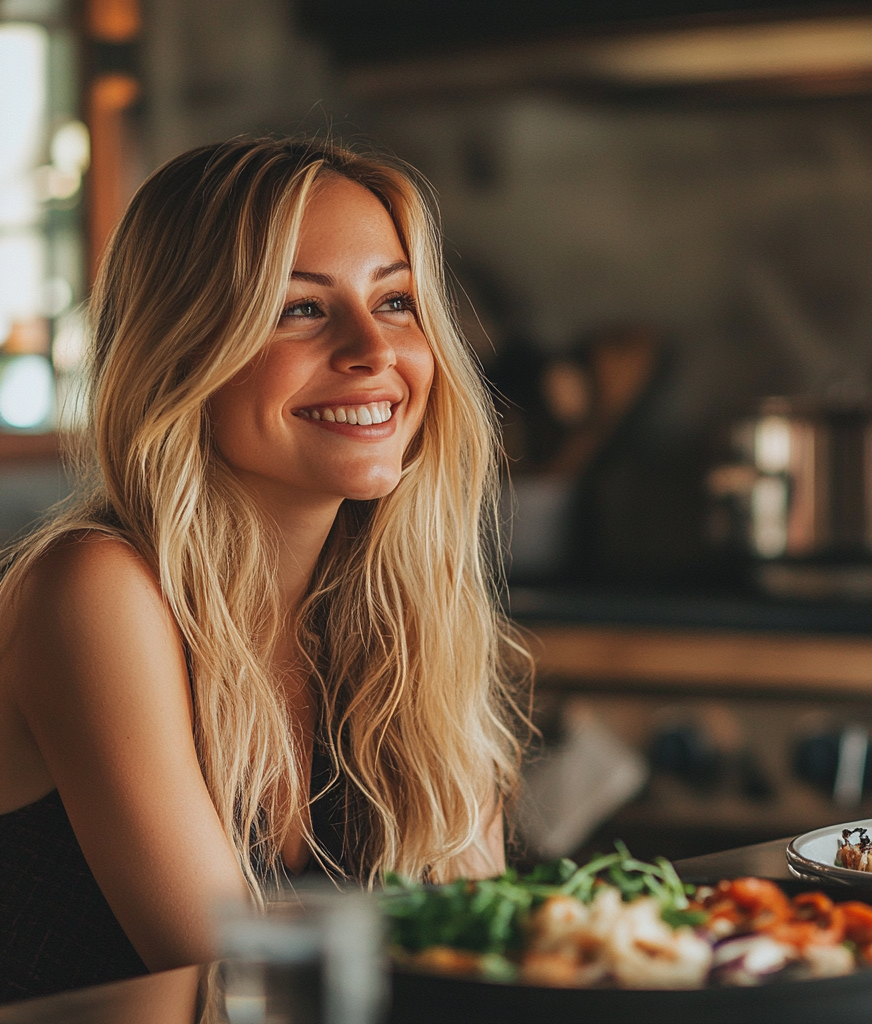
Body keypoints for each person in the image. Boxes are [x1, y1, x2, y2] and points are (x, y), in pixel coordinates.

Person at [0, 138, 529, 1002]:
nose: (374, 350)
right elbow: (243, 981)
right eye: (300, 310)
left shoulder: (407, 612)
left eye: (396, 300)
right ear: (183, 351)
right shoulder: (95, 591)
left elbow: (490, 957)